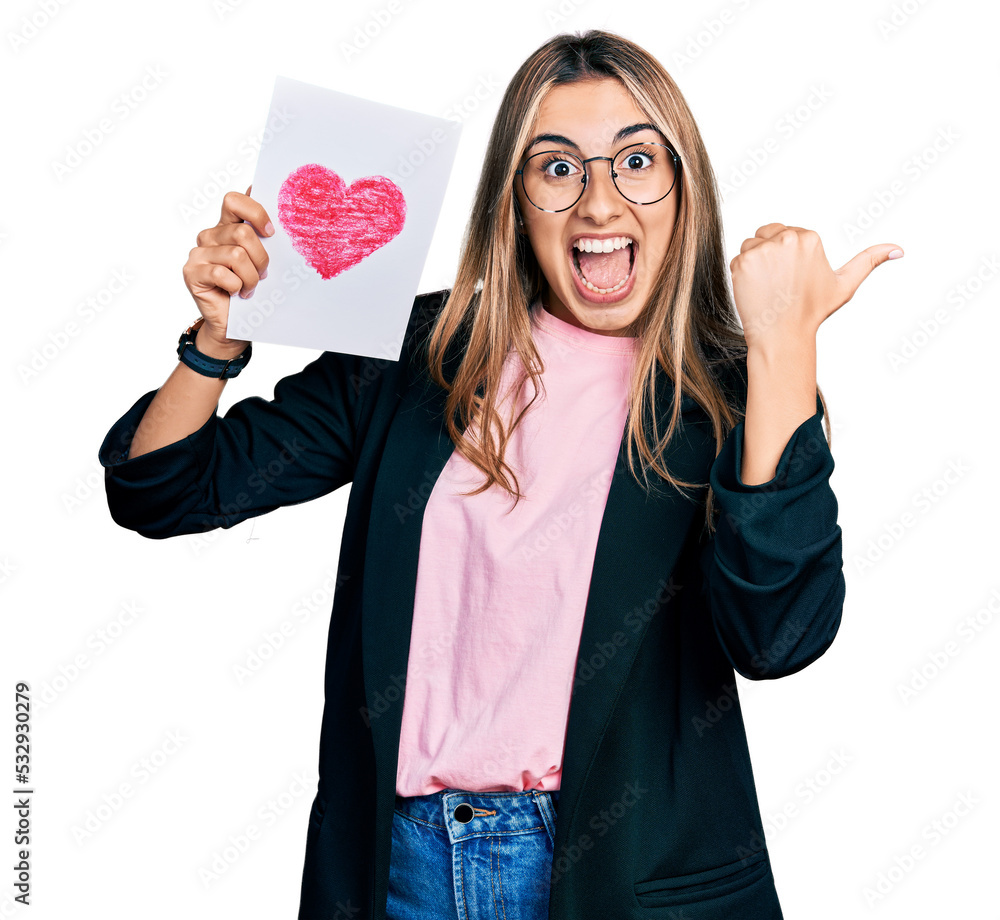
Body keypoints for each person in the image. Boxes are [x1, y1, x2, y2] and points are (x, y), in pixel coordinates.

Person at [98, 28, 901, 920]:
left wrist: (784, 346)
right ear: (515, 200)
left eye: (637, 161)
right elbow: (161, 490)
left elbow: (779, 637)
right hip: (406, 874)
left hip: (624, 883)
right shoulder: (419, 354)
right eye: (557, 168)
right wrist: (216, 338)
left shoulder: (727, 393)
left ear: (683, 188)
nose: (599, 202)